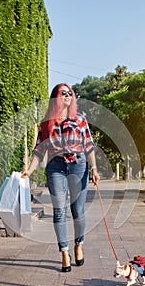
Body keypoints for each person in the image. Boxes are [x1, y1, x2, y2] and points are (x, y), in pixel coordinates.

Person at [21, 83, 100, 272]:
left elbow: (88, 145)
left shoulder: (80, 119)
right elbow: (39, 149)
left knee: (78, 210)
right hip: (56, 166)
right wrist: (29, 171)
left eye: (70, 93)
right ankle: (64, 252)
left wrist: (95, 168)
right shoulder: (47, 123)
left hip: (78, 164)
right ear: (56, 97)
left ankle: (78, 244)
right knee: (59, 210)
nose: (67, 95)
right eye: (63, 92)